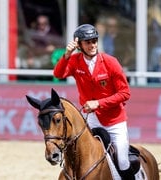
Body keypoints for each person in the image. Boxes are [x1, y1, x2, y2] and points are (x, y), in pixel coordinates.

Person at [53, 24, 137, 179]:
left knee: (123, 160)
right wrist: (66, 55)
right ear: (79, 45)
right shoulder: (74, 60)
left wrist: (98, 103)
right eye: (88, 42)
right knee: (79, 153)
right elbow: (58, 74)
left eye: (94, 41)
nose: (92, 45)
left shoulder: (110, 62)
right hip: (92, 120)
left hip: (114, 121)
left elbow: (125, 93)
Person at [147, 3, 161, 83]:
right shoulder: (160, 24)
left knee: (154, 68)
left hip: (157, 49)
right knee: (159, 69)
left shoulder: (154, 23)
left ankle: (156, 83)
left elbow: (155, 36)